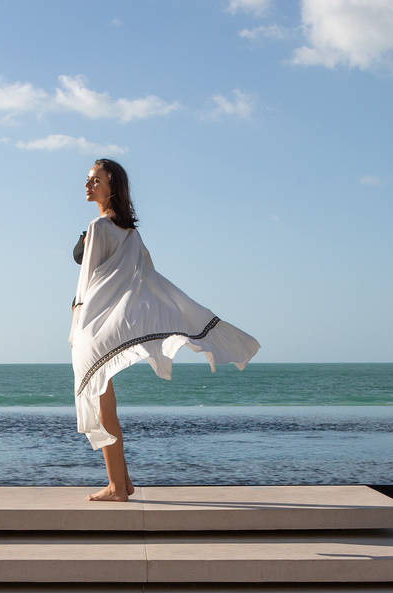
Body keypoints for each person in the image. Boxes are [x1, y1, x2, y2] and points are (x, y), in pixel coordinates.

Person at [70, 158, 260, 502]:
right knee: (105, 404)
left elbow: (88, 283)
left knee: (101, 403)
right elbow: (147, 278)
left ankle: (117, 486)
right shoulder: (131, 233)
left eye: (95, 181)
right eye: (87, 180)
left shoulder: (99, 229)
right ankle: (121, 483)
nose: (88, 186)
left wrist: (76, 320)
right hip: (108, 322)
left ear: (113, 186)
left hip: (93, 323)